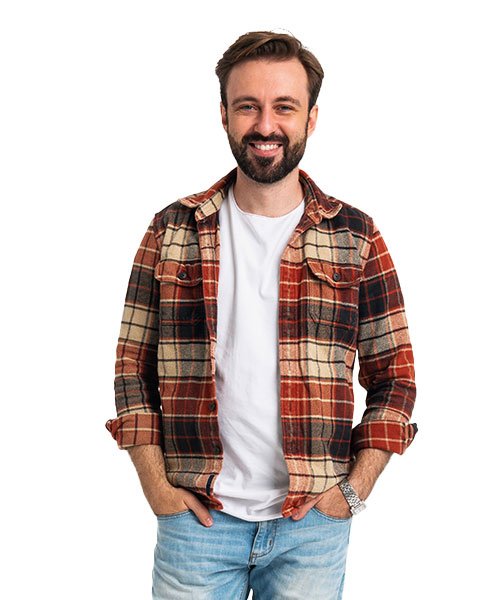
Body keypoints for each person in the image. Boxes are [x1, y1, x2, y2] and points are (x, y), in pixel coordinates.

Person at [105, 30, 418, 600]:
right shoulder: (171, 231)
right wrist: (156, 487)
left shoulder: (356, 238)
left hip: (312, 527)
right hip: (197, 524)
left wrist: (351, 491)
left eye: (284, 107)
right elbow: (132, 368)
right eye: (248, 106)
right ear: (224, 114)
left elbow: (395, 377)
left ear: (311, 118)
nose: (265, 125)